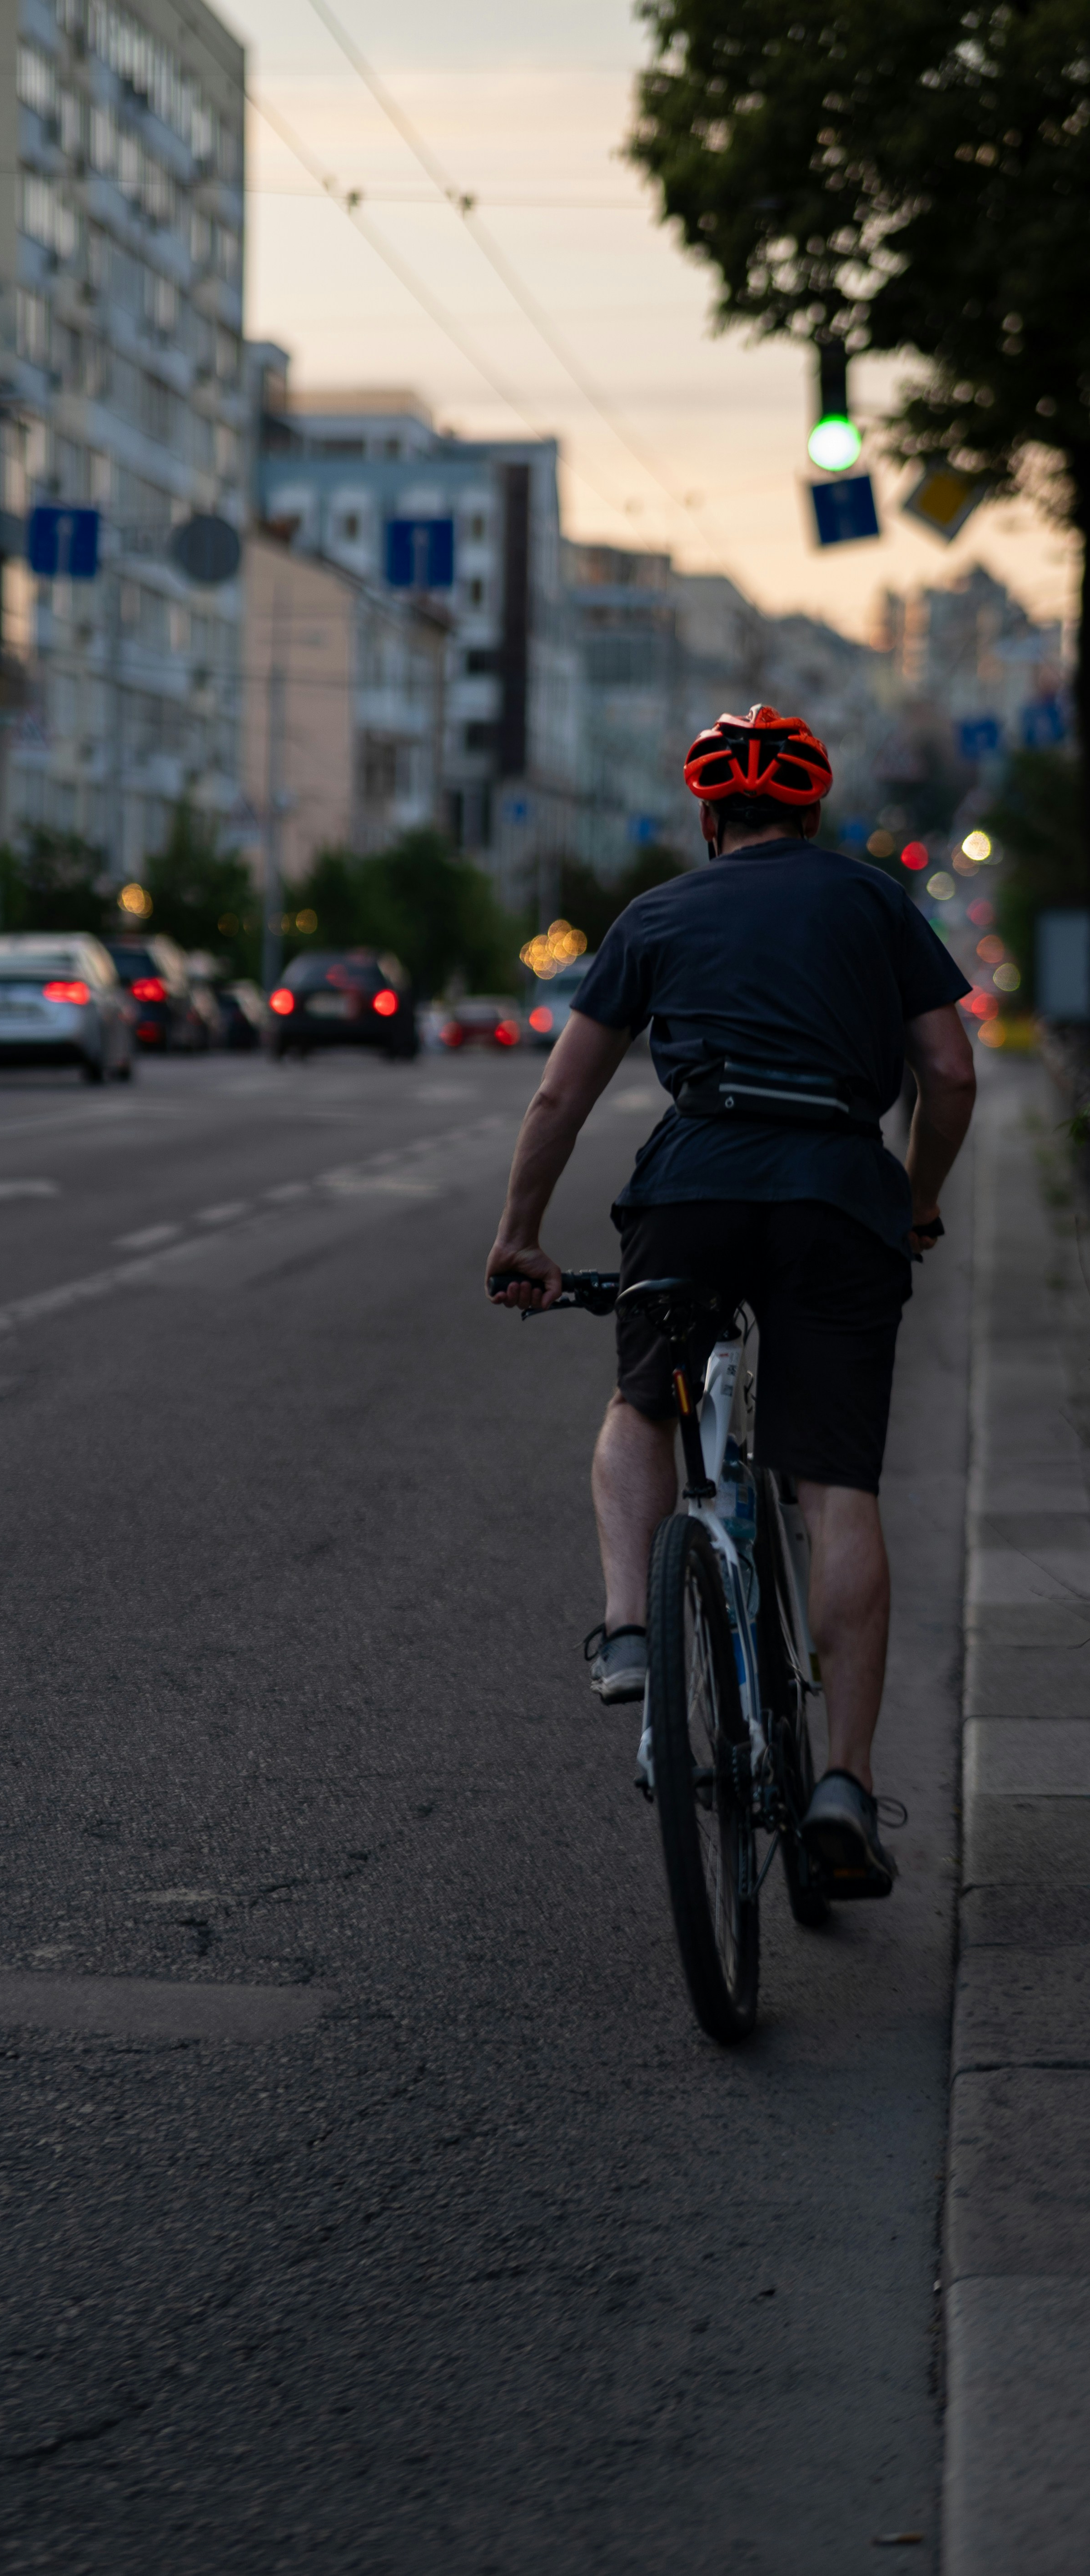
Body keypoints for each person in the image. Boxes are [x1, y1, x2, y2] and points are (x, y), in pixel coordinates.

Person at [485, 705, 976, 1898]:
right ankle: (845, 1789)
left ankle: (631, 1628)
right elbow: (950, 1071)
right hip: (837, 1198)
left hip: (693, 1190)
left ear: (710, 818)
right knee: (836, 1488)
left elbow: (559, 1099)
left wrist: (521, 1237)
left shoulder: (656, 914)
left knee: (643, 1403)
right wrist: (911, 1203)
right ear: (812, 813)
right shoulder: (871, 901)